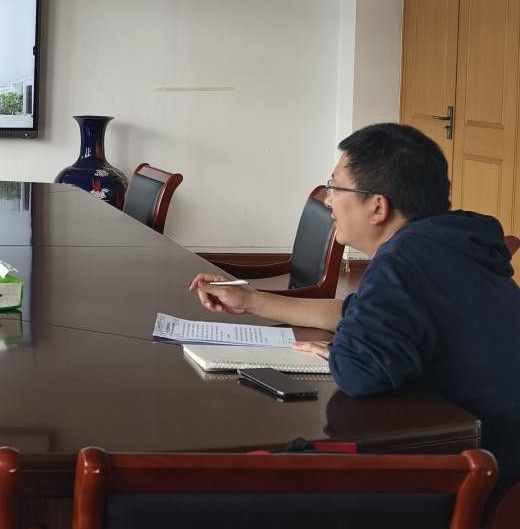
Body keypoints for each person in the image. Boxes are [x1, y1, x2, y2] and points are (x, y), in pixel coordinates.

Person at [190, 122, 520, 482]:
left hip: (483, 478)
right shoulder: (444, 242)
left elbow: (360, 373)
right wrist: (250, 300)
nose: (328, 199)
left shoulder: (402, 260)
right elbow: (353, 310)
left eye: (335, 187)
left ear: (378, 207)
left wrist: (345, 348)